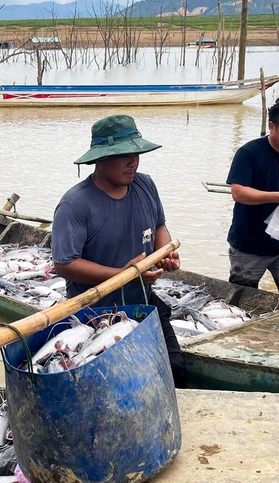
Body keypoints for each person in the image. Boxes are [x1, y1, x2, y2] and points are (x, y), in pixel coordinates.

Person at [51, 114, 186, 388]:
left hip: (144, 303)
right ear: (100, 159)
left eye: (136, 153)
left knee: (175, 371)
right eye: (123, 154)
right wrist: (122, 274)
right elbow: (64, 264)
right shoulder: (76, 204)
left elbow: (159, 226)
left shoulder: (145, 184)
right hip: (94, 314)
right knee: (110, 385)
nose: (132, 161)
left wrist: (164, 253)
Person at [226, 97, 279, 298]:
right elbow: (238, 192)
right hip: (249, 243)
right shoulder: (249, 153)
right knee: (241, 299)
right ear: (272, 126)